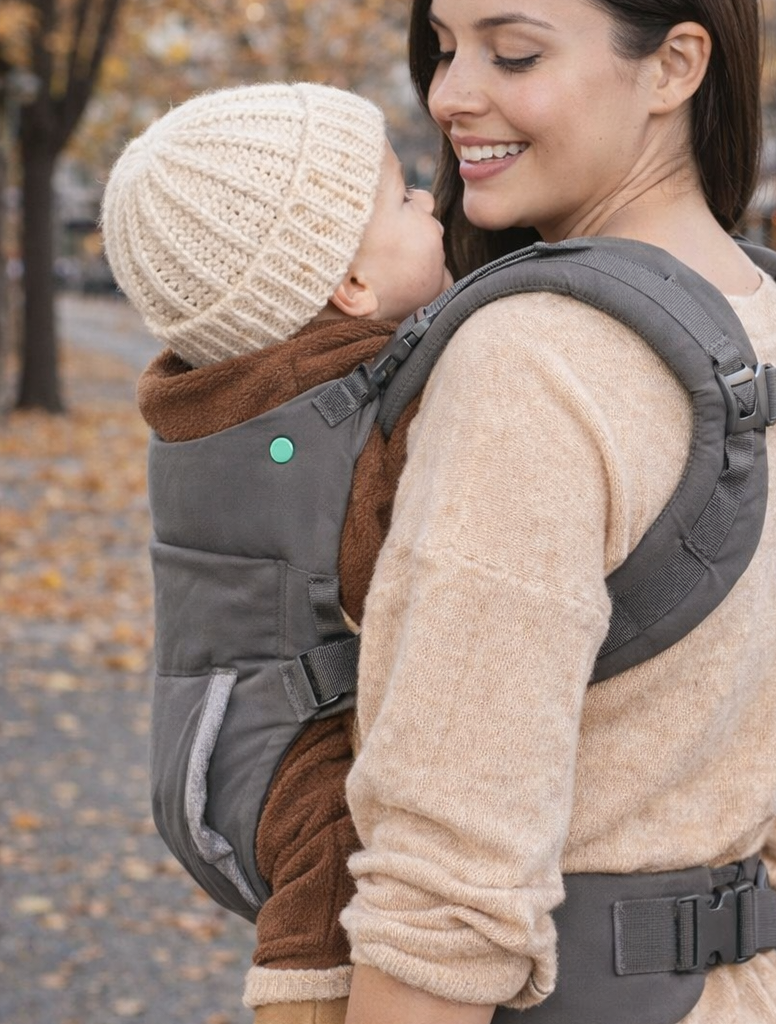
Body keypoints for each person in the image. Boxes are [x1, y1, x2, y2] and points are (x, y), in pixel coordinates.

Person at [339, 4, 776, 1024]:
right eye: (446, 46)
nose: (450, 93)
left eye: (513, 51)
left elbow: (442, 892)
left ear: (676, 66)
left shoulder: (531, 361)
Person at [100, 82, 451, 1024]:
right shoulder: (331, 418)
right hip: (279, 766)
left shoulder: (222, 397)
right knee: (337, 881)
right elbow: (413, 577)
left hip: (206, 746)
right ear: (351, 290)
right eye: (404, 194)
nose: (431, 201)